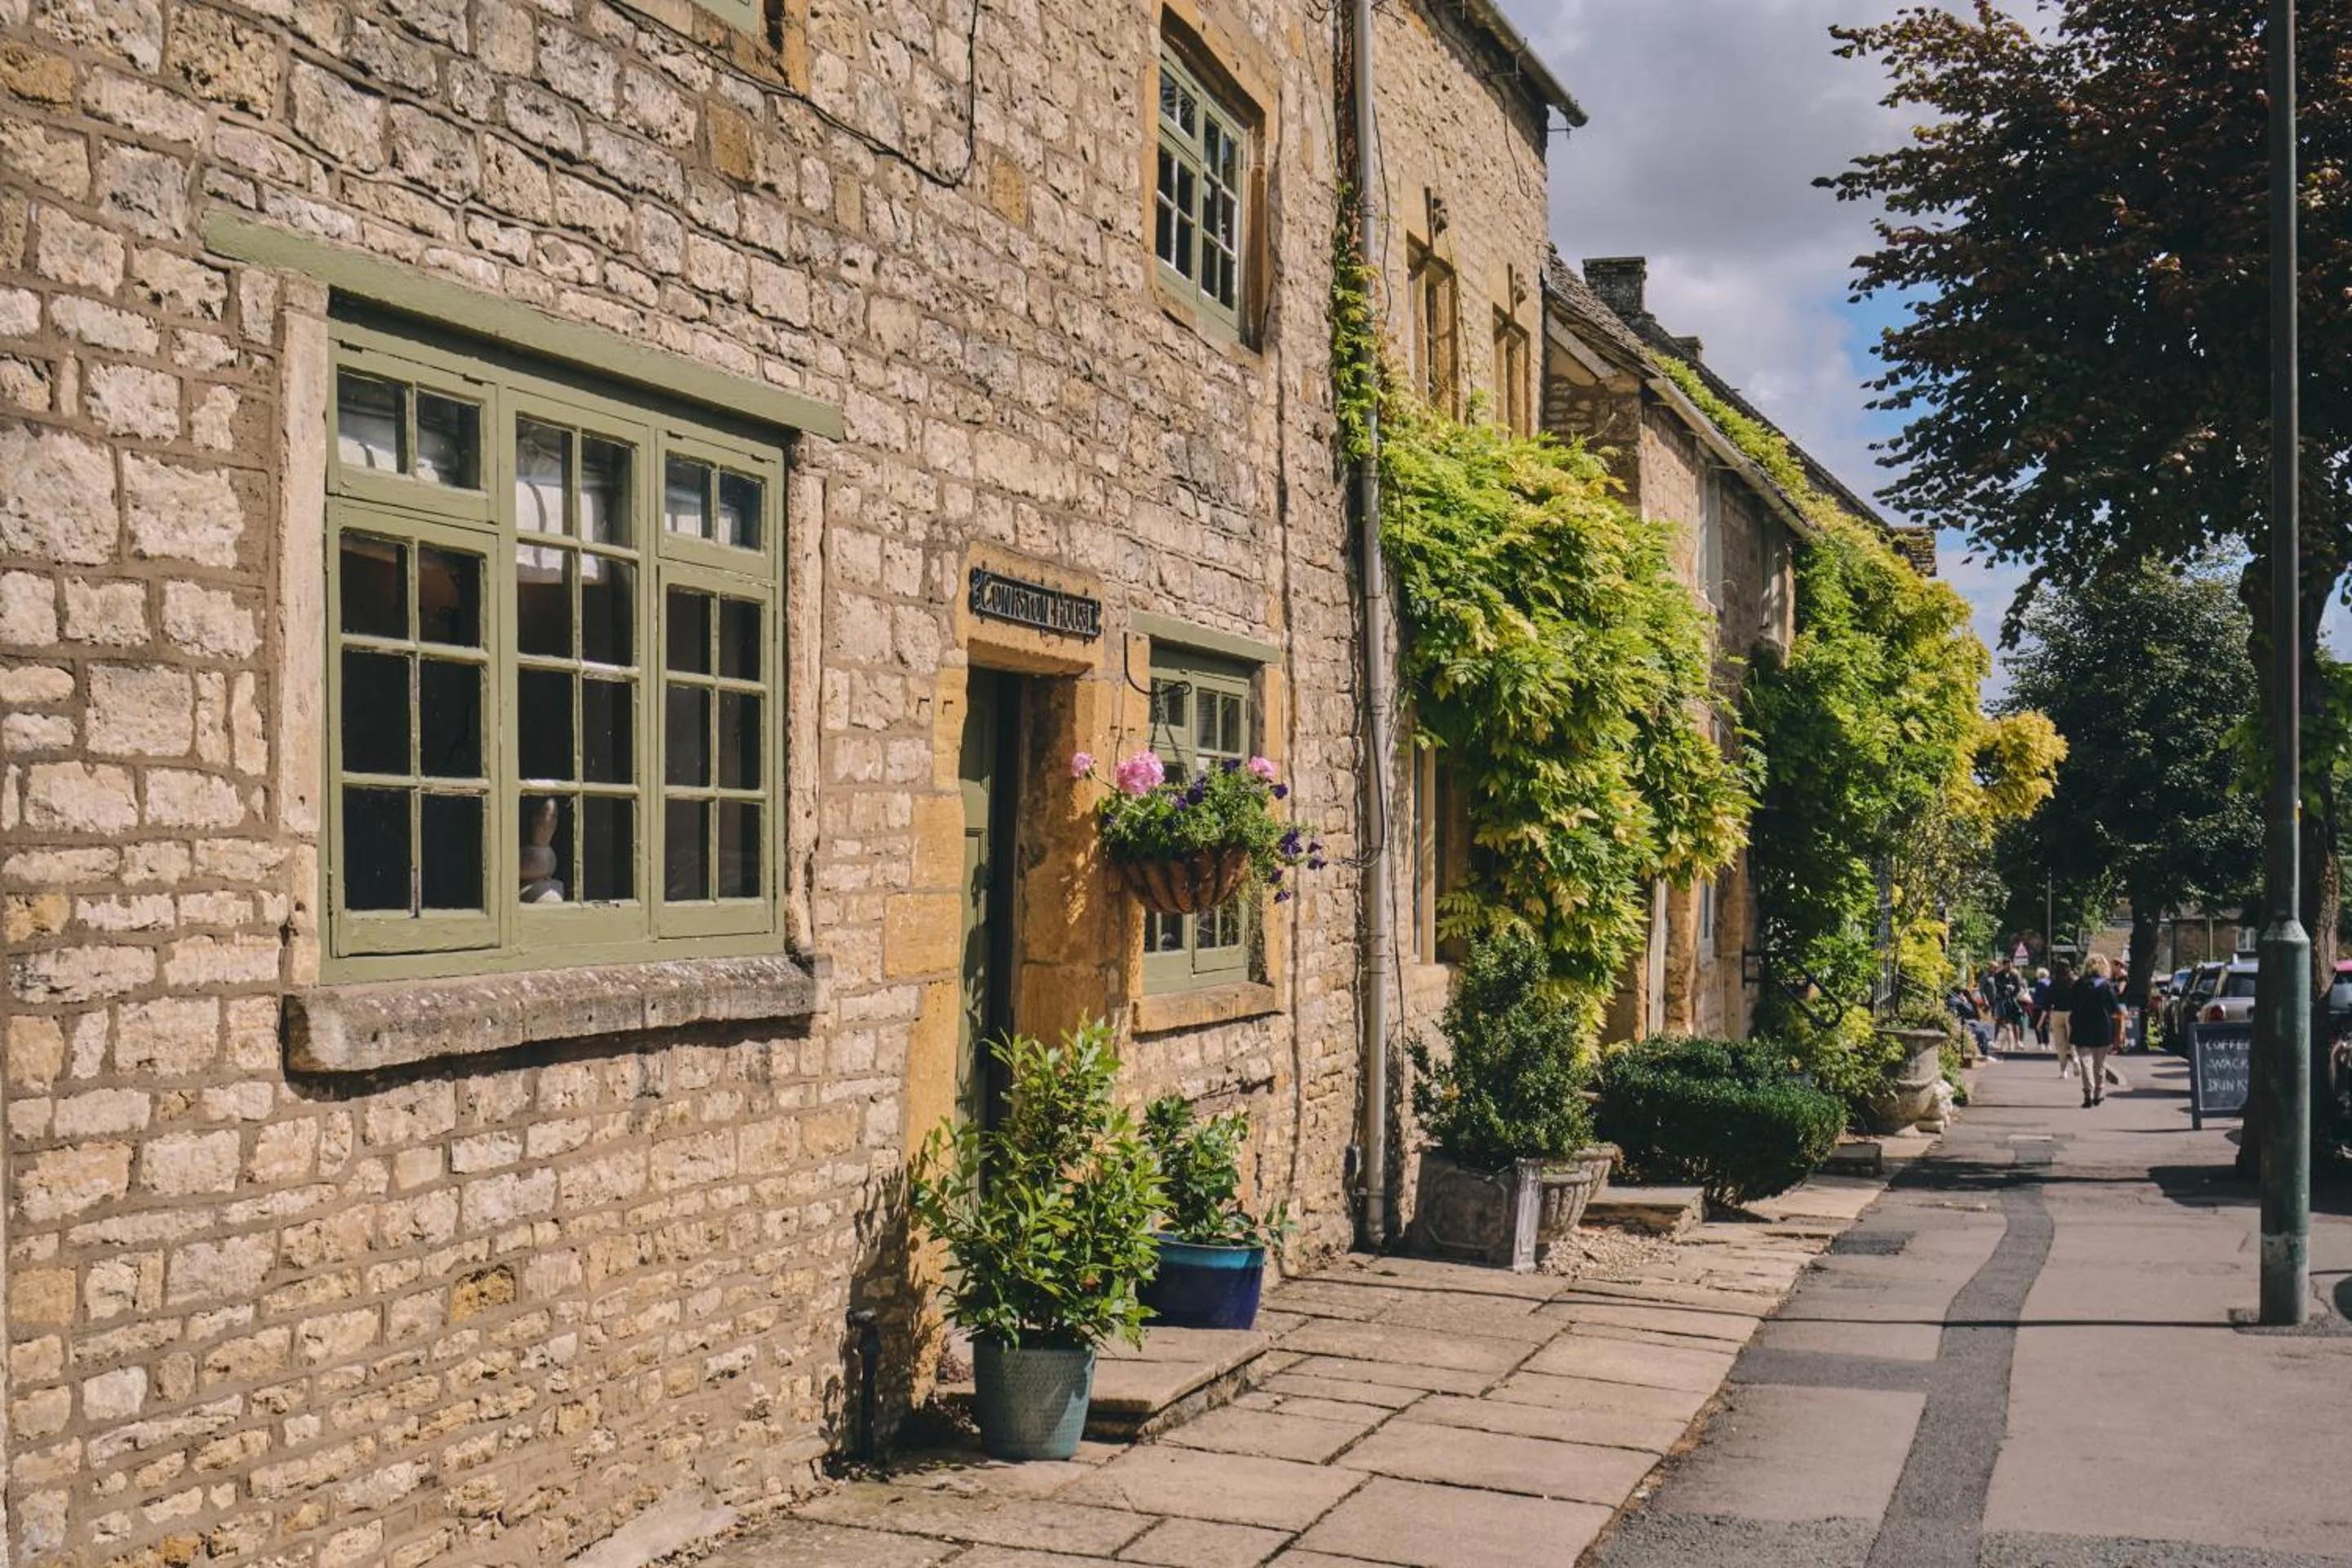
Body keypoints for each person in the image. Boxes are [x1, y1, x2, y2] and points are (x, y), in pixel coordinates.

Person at [2070, 953, 2127, 1107]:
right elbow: (2115, 1008)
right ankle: (2099, 1092)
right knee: (2099, 1063)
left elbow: (2072, 1004)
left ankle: (2088, 1091)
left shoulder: (2079, 984)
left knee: (2085, 1061)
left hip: (2082, 1025)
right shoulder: (2106, 985)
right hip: (2102, 1026)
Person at [2048, 957, 2078, 1078]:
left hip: (2057, 1013)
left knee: (2060, 1044)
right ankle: (2075, 1059)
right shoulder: (2074, 982)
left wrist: (2044, 1014)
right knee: (2073, 1041)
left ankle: (2063, 1071)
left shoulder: (2054, 982)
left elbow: (2048, 1000)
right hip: (2071, 1013)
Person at [2030, 966, 2052, 1049]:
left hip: (2038, 1006)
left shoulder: (2039, 983)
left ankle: (2040, 1043)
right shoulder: (2049, 982)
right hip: (2047, 1007)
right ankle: (2047, 1043)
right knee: (2046, 1024)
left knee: (2038, 1024)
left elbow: (2036, 996)